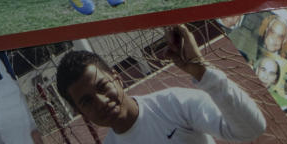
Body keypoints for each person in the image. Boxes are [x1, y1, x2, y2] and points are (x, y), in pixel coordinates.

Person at [55, 24, 267, 143]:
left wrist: (202, 72)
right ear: (80, 113)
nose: (100, 102)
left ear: (117, 78)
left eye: (102, 86)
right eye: (86, 101)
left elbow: (251, 130)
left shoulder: (173, 103)